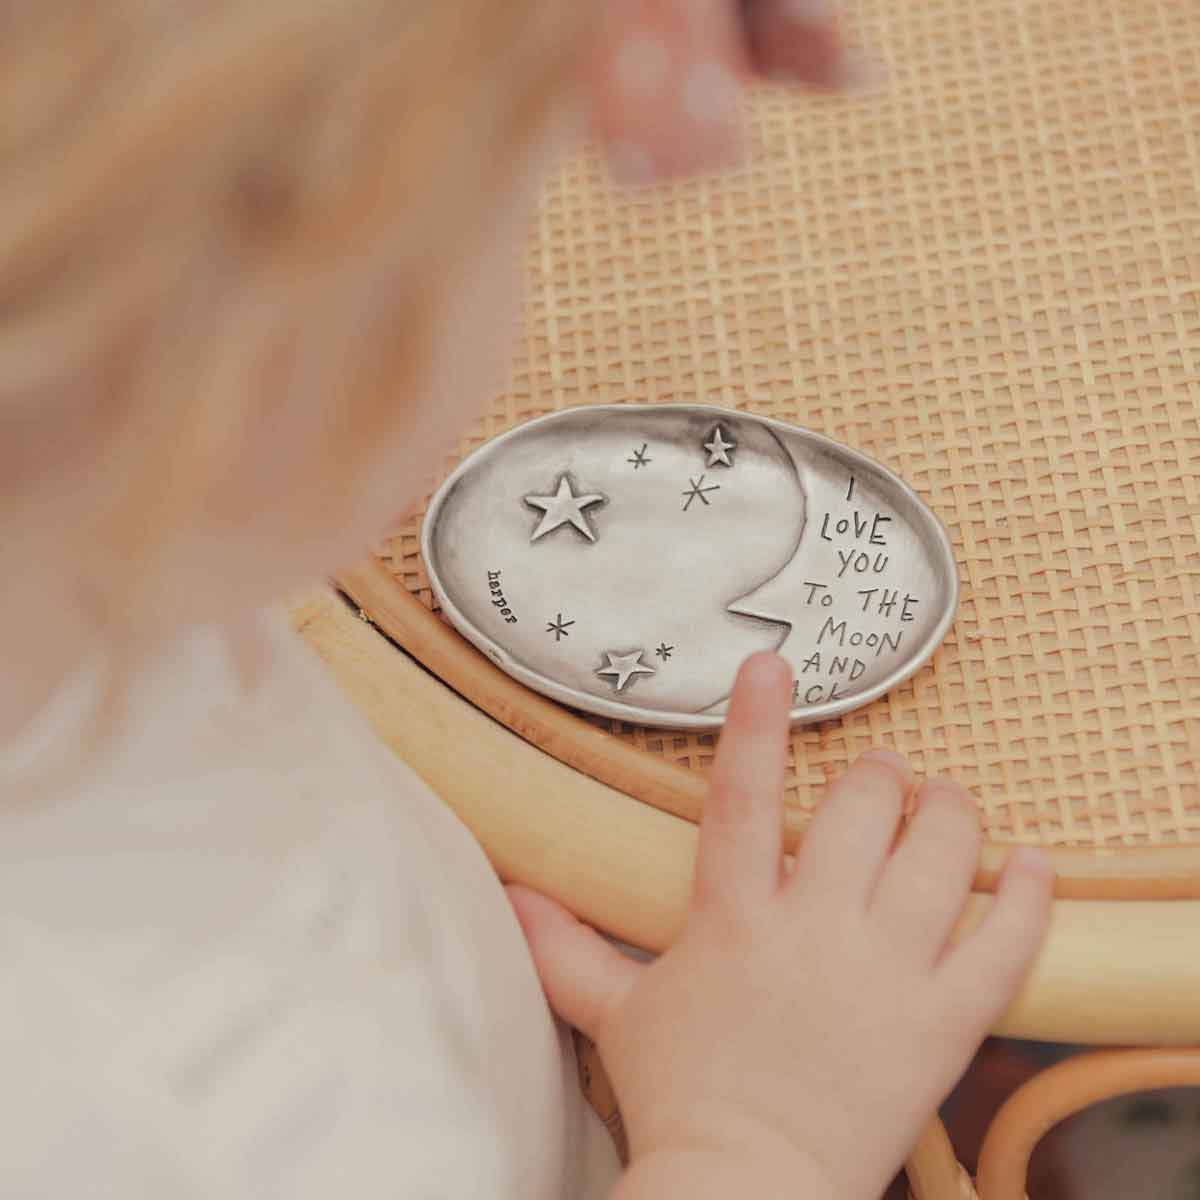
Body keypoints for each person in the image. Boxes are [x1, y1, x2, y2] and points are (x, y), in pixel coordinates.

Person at [0, 1, 1053, 1196]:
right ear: (256, 390)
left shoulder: (75, 540)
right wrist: (757, 1141)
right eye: (508, 221)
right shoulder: (236, 1123)